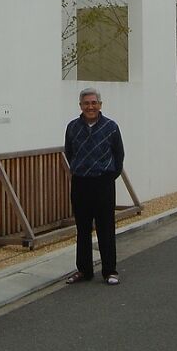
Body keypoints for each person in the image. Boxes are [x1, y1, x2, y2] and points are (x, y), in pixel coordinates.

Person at [64, 87, 125, 286]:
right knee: (82, 229)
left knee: (105, 228)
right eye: (86, 103)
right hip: (81, 182)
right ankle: (84, 270)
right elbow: (69, 152)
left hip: (103, 182)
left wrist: (109, 176)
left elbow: (119, 155)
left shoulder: (111, 127)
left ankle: (110, 270)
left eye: (93, 103)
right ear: (80, 105)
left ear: (100, 105)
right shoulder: (73, 127)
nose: (90, 107)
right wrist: (79, 169)